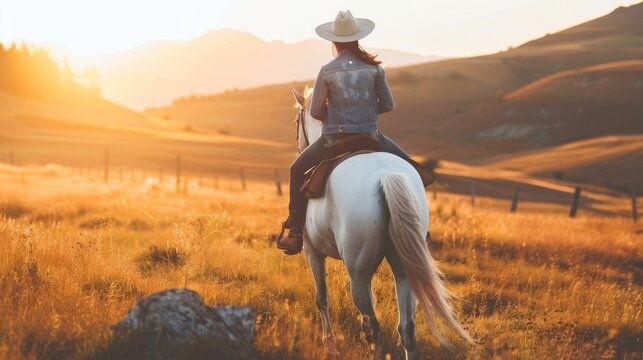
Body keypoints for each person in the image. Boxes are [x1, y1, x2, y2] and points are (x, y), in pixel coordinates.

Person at [276, 10, 432, 255]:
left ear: (334, 41)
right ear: (357, 38)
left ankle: (295, 231)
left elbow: (315, 112)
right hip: (371, 137)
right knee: (413, 169)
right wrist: (365, 111)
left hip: (333, 140)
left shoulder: (327, 70)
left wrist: (338, 114)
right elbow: (389, 105)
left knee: (295, 170)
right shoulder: (375, 69)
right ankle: (420, 229)